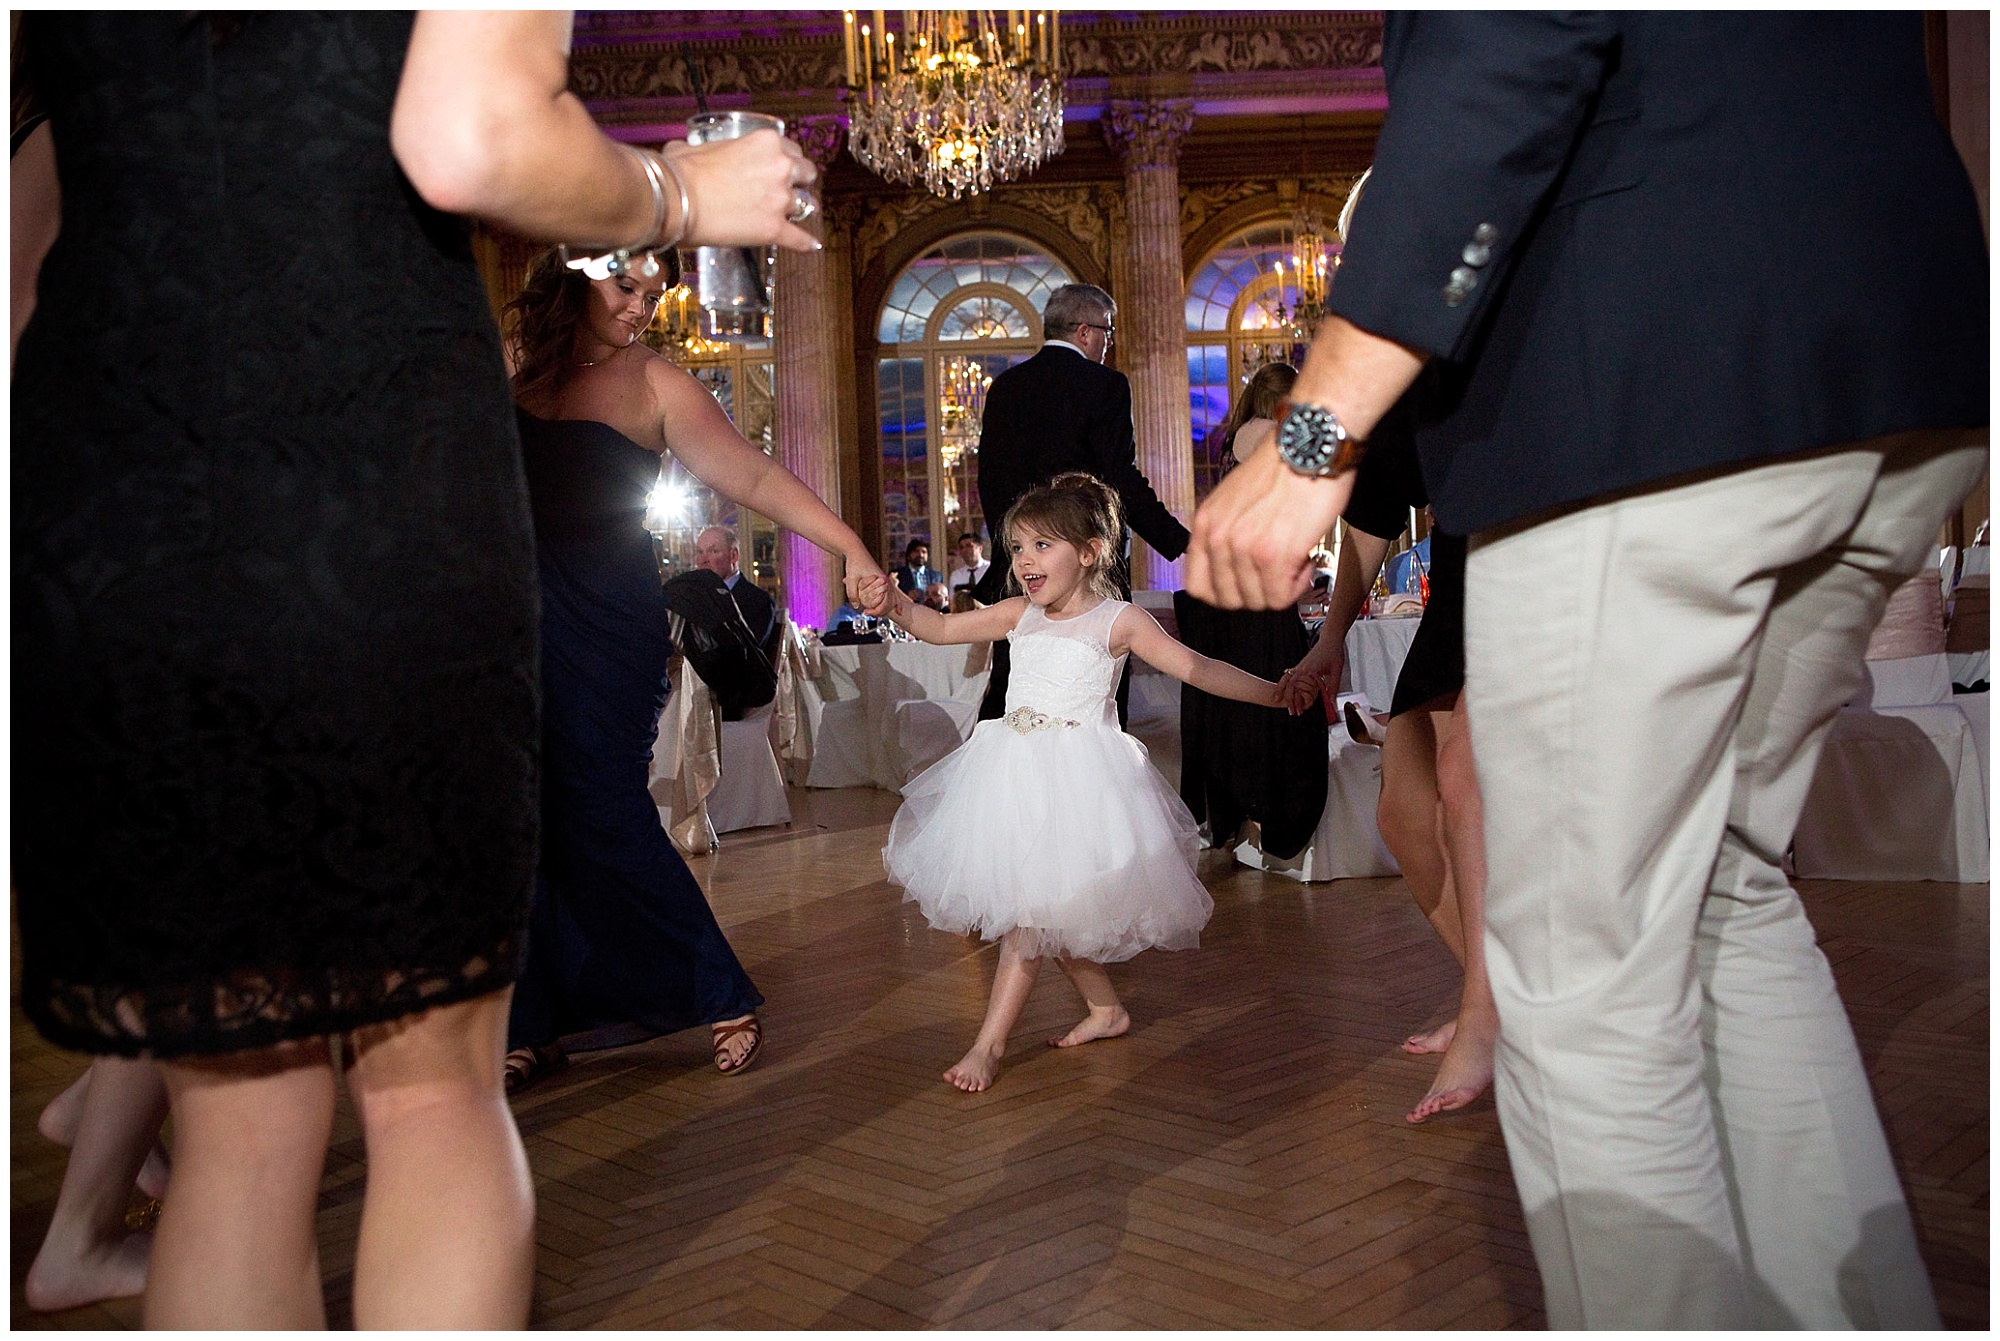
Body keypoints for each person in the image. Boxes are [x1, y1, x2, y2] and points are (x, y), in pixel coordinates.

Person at [13, 11, 822, 1328]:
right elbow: (466, 139)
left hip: (117, 495)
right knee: (430, 1087)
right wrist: (679, 189)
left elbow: (22, 265)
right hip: (365, 466)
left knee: (236, 1134)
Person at [1186, 13, 1985, 1329]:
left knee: (1584, 980)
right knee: (1731, 895)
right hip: (1899, 345)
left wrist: (1314, 432)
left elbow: (1504, 51)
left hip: (1648, 389)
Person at [500, 245, 887, 1093]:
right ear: (573, 269)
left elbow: (750, 473)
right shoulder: (514, 367)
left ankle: (721, 992)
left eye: (655, 292)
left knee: (604, 810)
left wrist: (848, 544)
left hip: (606, 626)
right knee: (524, 823)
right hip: (513, 625)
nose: (642, 306)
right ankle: (534, 1020)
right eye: (626, 286)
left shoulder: (656, 383)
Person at [861, 473, 1289, 1092]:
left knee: (1030, 921)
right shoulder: (1019, 615)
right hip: (1010, 776)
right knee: (1047, 905)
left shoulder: (1119, 621)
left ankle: (988, 1046)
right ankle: (1106, 1010)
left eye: (1043, 546)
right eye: (1018, 548)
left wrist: (1273, 695)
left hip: (1081, 786)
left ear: (1089, 551)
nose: (1026, 562)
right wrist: (895, 605)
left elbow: (1198, 668)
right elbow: (943, 629)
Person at [1280, 411, 1494, 1125]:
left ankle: (1486, 1013)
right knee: (1404, 814)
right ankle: (1500, 1000)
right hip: (1462, 575)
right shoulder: (1411, 372)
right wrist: (1331, 637)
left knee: (1463, 778)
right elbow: (1371, 514)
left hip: (1532, 552)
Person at [971, 283, 1192, 724]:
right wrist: (1179, 539)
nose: (1109, 344)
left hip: (1022, 567)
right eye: (1108, 333)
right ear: (1087, 332)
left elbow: (989, 483)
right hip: (1088, 566)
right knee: (1100, 687)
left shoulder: (1005, 388)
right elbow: (1119, 479)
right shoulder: (1104, 385)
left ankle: (1001, 785)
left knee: (1014, 686)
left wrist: (1018, 548)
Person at [1176, 361, 1327, 858]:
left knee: (1236, 701)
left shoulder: (1235, 442)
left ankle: (1240, 819)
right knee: (1276, 697)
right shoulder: (1267, 435)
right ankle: (1270, 818)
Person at [693, 524, 777, 652]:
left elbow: (745, 654)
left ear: (733, 556)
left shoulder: (758, 601)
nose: (703, 560)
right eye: (700, 552)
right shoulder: (693, 598)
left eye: (713, 551)